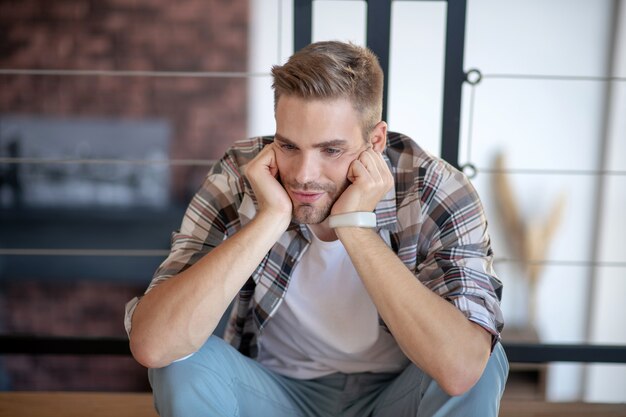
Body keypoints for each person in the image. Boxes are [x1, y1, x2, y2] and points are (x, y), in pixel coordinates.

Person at [125, 41, 508, 417]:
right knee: (180, 359)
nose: (304, 175)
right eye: (289, 146)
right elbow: (154, 345)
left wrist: (355, 227)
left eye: (331, 150)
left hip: (398, 395)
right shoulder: (243, 173)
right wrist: (270, 217)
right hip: (276, 394)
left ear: (375, 141)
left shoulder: (435, 188)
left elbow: (461, 369)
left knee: (482, 356)